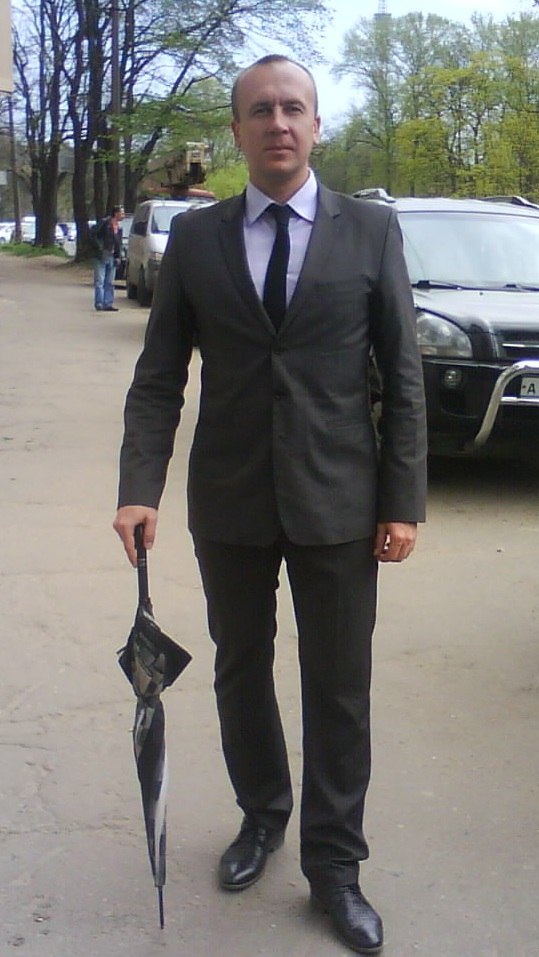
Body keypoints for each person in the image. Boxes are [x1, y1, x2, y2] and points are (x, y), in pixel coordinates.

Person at [113, 55, 427, 955]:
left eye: (293, 108)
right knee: (239, 669)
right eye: (260, 110)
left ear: (316, 125)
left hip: (340, 501)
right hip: (231, 500)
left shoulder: (370, 230)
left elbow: (401, 372)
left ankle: (335, 865)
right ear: (238, 131)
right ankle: (262, 815)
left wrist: (401, 499)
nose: (278, 122)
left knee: (338, 686)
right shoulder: (199, 237)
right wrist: (138, 488)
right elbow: (159, 375)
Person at [91, 205, 124, 311]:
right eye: (122, 213)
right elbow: (93, 233)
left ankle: (108, 303)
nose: (123, 215)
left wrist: (118, 256)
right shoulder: (105, 223)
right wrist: (99, 247)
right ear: (116, 213)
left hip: (112, 256)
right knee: (100, 280)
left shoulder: (119, 228)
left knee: (109, 282)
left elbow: (119, 243)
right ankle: (99, 303)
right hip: (101, 255)